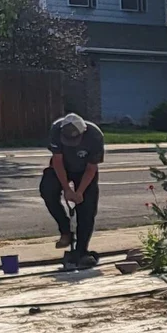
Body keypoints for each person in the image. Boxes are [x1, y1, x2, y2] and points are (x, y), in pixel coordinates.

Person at [39, 112, 104, 263]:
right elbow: (57, 161)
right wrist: (66, 189)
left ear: (83, 131)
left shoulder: (95, 136)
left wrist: (79, 192)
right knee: (47, 188)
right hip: (63, 167)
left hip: (84, 171)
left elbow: (91, 168)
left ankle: (81, 251)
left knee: (87, 208)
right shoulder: (56, 129)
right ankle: (65, 230)